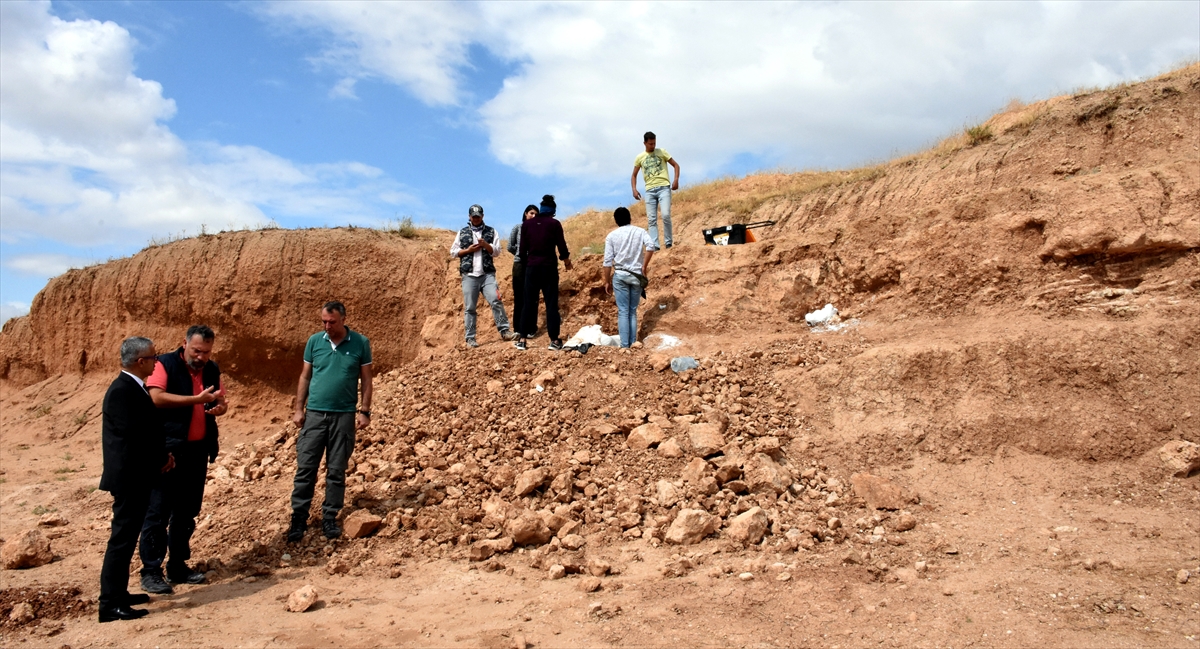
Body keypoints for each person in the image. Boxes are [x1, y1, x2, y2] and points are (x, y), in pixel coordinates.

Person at [137, 325, 227, 595]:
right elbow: (156, 397)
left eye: (206, 352)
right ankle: (151, 571)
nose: (201, 357)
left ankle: (177, 566)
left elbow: (221, 400)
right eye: (197, 350)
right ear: (185, 344)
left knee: (187, 511)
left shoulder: (212, 369)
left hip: (198, 450)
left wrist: (220, 408)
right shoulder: (163, 364)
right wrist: (195, 400)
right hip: (169, 451)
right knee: (158, 511)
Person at [98, 336, 173, 623]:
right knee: (122, 539)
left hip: (139, 475)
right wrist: (159, 460)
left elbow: (145, 432)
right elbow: (134, 438)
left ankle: (118, 594)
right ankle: (109, 604)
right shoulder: (122, 390)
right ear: (140, 361)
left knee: (127, 538)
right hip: (130, 478)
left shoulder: (133, 388)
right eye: (154, 357)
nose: (157, 361)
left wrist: (162, 455)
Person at [288, 301, 373, 542]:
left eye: (332, 322)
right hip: (314, 414)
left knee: (336, 470)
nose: (327, 326)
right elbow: (305, 376)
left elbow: (366, 379)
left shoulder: (360, 343)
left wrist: (364, 410)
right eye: (324, 321)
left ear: (343, 319)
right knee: (306, 469)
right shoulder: (315, 342)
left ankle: (330, 517)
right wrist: (298, 409)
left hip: (343, 416)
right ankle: (298, 519)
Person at [450, 204, 517, 348]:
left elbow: (497, 252)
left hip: (487, 275)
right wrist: (467, 250)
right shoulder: (462, 232)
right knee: (470, 308)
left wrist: (486, 245)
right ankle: (470, 338)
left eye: (478, 216)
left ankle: (505, 331)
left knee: (496, 300)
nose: (476, 218)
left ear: (482, 216)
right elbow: (453, 252)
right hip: (469, 275)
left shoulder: (491, 231)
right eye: (473, 216)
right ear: (469, 217)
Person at [516, 195, 572, 351]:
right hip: (548, 268)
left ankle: (522, 339)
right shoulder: (554, 224)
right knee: (551, 304)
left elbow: (521, 251)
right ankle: (554, 340)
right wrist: (566, 261)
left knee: (528, 304)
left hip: (532, 268)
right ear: (553, 211)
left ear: (541, 210)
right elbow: (562, 246)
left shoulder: (527, 225)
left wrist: (528, 265)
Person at [602, 207, 656, 348]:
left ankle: (624, 346)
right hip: (637, 276)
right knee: (632, 310)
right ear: (630, 218)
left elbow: (607, 262)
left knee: (623, 311)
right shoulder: (640, 231)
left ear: (616, 220)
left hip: (620, 275)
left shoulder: (611, 236)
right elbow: (651, 246)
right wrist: (644, 266)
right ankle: (633, 343)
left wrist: (606, 281)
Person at [631, 131, 681, 250]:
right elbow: (633, 175)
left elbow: (676, 165)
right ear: (645, 143)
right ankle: (655, 246)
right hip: (649, 191)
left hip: (664, 187)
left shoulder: (662, 152)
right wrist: (634, 189)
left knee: (665, 214)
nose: (653, 146)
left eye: (654, 143)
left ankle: (668, 243)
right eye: (650, 144)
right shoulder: (640, 157)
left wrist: (676, 180)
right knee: (651, 219)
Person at [507, 204, 539, 335]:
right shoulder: (517, 228)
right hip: (519, 265)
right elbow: (510, 246)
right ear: (525, 214)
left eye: (536, 214)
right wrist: (520, 254)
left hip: (534, 265)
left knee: (532, 296)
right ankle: (518, 329)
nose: (533, 216)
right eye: (531, 213)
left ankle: (531, 328)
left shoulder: (539, 229)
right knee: (519, 297)